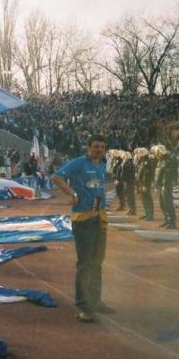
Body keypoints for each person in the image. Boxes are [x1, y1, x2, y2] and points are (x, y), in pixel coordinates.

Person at [53, 134, 113, 323]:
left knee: (97, 261)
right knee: (85, 263)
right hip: (84, 219)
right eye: (96, 146)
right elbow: (57, 177)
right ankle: (82, 305)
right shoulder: (79, 163)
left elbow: (98, 187)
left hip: (99, 218)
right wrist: (73, 193)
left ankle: (95, 301)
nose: (99, 150)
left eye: (102, 147)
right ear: (88, 148)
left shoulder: (102, 166)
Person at [153, 145, 177, 229]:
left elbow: (167, 175)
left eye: (157, 152)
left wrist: (164, 185)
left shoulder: (168, 160)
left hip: (165, 186)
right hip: (161, 185)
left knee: (168, 204)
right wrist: (156, 185)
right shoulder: (160, 161)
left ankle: (172, 222)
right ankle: (166, 220)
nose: (156, 154)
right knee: (162, 205)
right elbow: (158, 174)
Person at [135, 148, 155, 221]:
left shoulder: (146, 162)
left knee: (147, 199)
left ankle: (150, 215)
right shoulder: (142, 161)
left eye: (140, 153)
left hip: (145, 184)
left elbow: (146, 175)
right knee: (143, 199)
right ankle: (147, 213)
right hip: (141, 184)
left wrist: (144, 185)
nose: (138, 154)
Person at [121, 151, 137, 216]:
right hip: (127, 181)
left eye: (124, 156)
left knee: (130, 196)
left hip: (129, 182)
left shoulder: (129, 163)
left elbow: (127, 173)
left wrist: (124, 164)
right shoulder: (127, 162)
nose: (123, 157)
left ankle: (132, 209)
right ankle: (130, 208)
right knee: (128, 196)